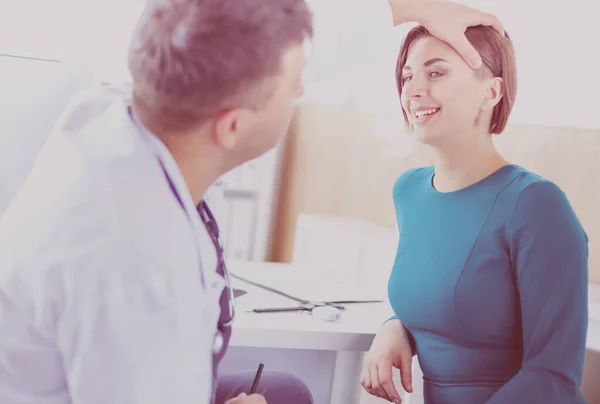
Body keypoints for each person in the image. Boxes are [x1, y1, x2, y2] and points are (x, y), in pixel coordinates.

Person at [0, 1, 506, 404]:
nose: (303, 86)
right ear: (234, 125)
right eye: (292, 87)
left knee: (284, 392)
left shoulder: (122, 104)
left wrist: (410, 6)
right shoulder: (140, 267)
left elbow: (236, 35)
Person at [360, 24, 589, 404]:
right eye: (407, 75)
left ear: (491, 91)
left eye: (436, 72)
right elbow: (446, 300)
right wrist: (396, 326)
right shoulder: (409, 192)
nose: (414, 90)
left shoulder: (537, 205)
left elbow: (553, 378)